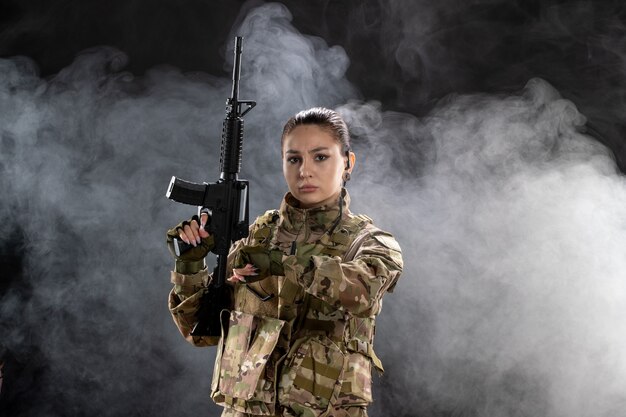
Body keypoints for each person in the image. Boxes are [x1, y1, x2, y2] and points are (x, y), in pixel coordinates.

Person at [166, 107, 403, 417]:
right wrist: (189, 266)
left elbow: (364, 292)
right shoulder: (256, 239)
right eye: (294, 159)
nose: (305, 171)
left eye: (320, 157)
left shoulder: (368, 242)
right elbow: (201, 332)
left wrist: (283, 263)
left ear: (347, 162)